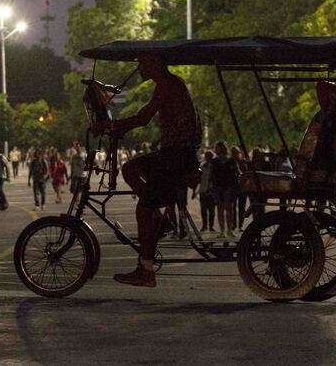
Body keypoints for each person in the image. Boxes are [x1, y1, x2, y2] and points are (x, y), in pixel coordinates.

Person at [92, 53, 201, 287]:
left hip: (176, 156)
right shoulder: (170, 83)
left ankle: (147, 270)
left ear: (155, 63)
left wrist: (110, 125)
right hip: (176, 154)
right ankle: (159, 217)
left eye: (143, 62)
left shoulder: (167, 84)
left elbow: (143, 118)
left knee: (143, 209)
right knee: (130, 169)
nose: (139, 67)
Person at [210, 141, 239, 239]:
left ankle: (229, 230)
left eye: (219, 148)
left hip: (229, 186)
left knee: (229, 208)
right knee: (220, 208)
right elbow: (211, 174)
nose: (217, 150)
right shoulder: (214, 161)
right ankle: (222, 231)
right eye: (216, 148)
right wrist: (210, 186)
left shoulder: (231, 161)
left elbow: (237, 172)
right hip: (217, 187)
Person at [193, 150, 215, 232]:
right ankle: (204, 225)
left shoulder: (214, 167)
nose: (208, 158)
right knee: (203, 209)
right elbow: (197, 180)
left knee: (211, 209)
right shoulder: (201, 168)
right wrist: (194, 191)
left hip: (212, 191)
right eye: (207, 156)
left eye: (210, 156)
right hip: (202, 190)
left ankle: (211, 226)